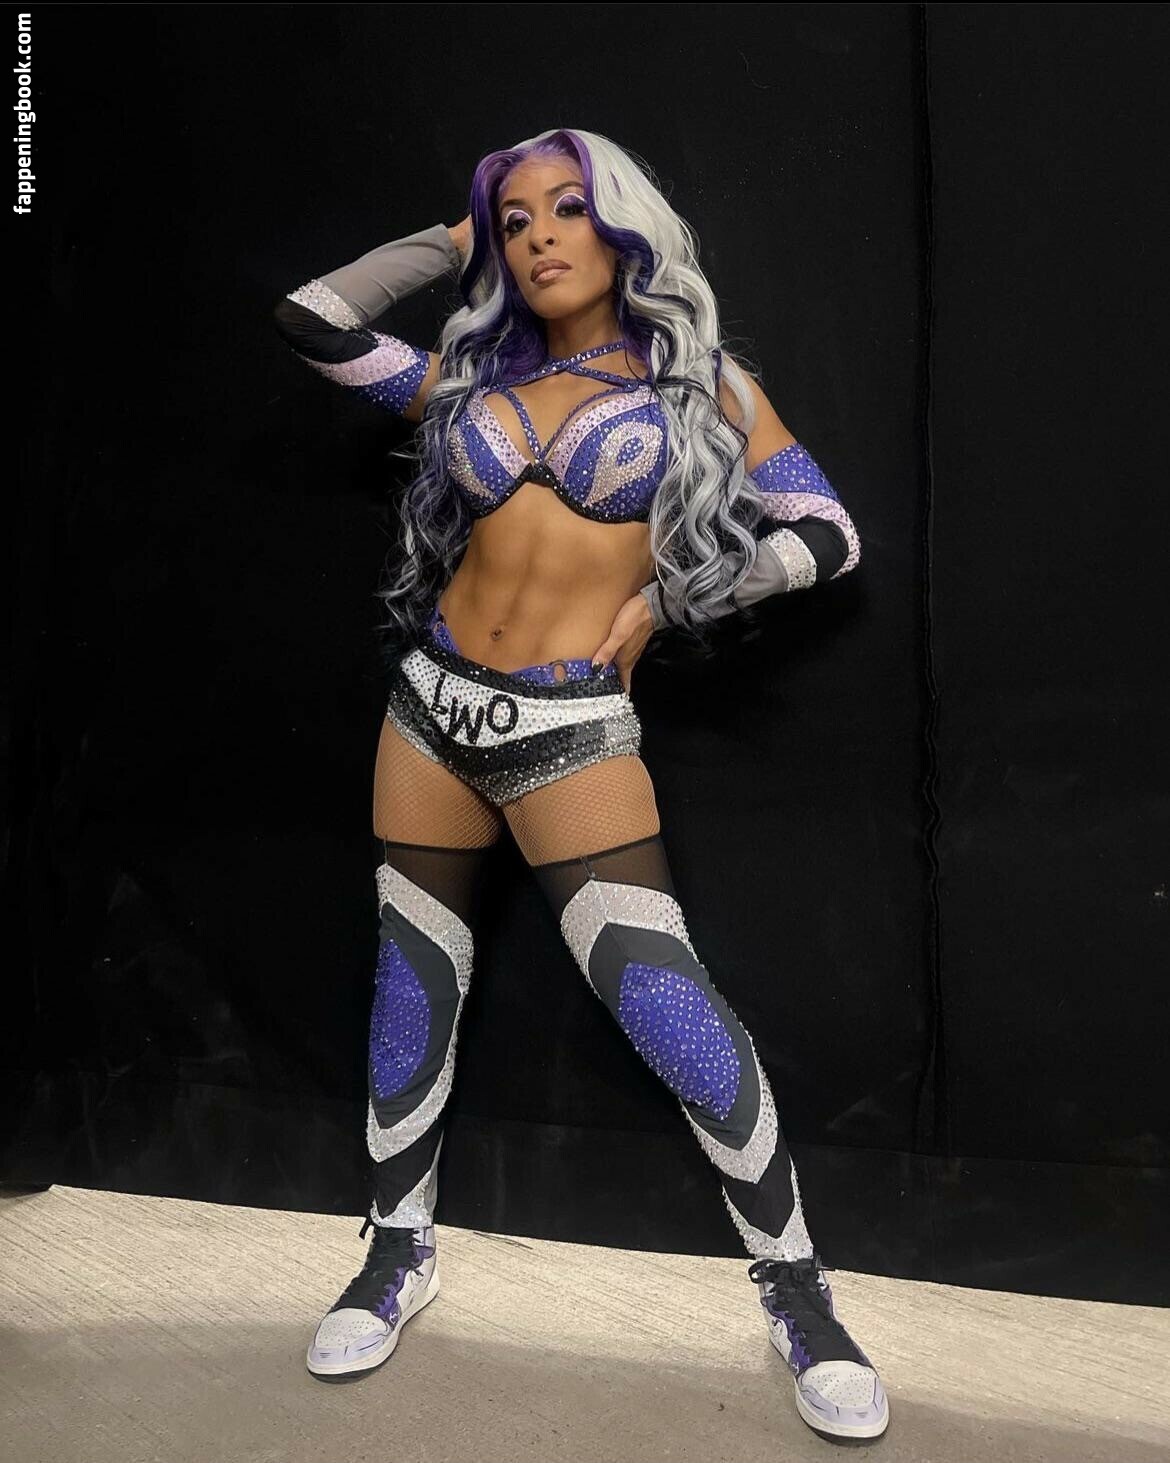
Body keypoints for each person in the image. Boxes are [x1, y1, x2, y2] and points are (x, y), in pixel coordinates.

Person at [272, 127, 888, 1444]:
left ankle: (797, 1289)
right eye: (517, 220)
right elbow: (314, 320)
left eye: (567, 208)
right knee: (411, 987)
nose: (542, 236)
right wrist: (454, 237)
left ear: (621, 225)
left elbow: (827, 532)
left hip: (570, 728)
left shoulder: (701, 387)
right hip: (428, 713)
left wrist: (683, 595)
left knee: (663, 1002)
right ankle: (396, 1251)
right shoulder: (460, 382)